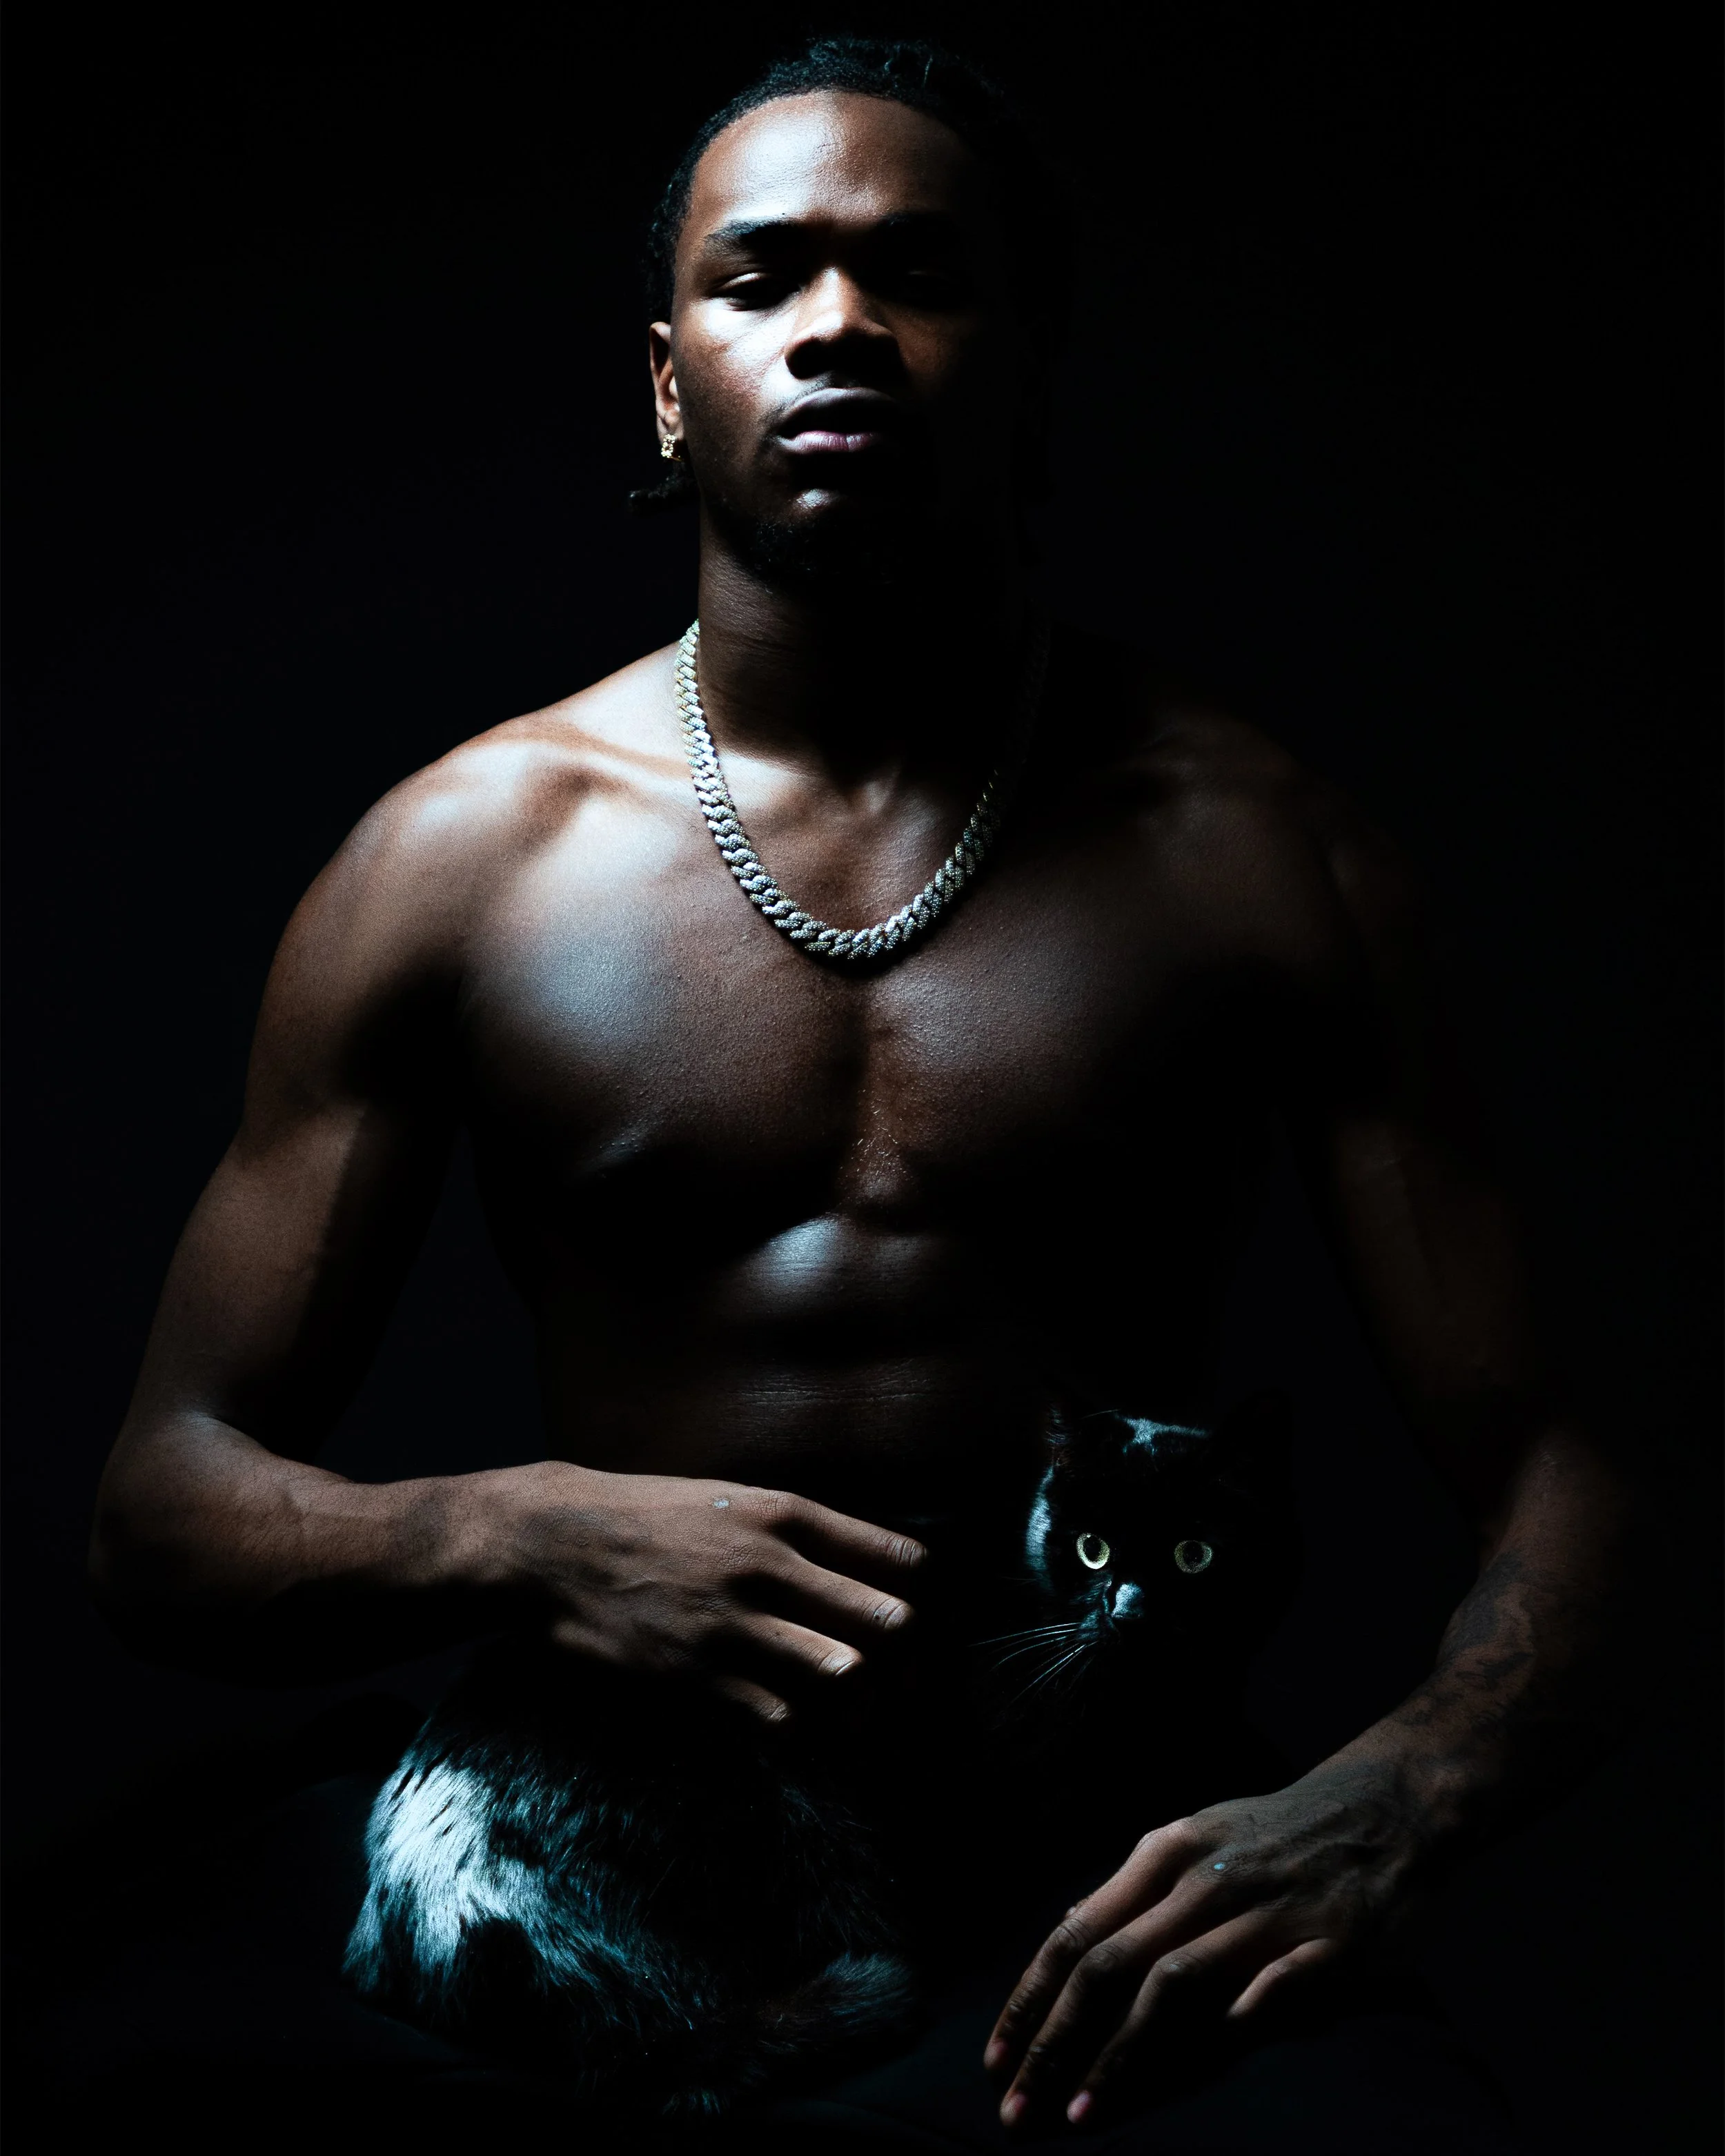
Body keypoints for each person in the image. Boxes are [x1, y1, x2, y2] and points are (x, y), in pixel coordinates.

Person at [83, 37, 1630, 2153]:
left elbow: (1584, 1460)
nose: (839, 324)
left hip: (1093, 1870)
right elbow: (157, 1511)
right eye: (763, 278)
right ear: (665, 382)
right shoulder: (459, 862)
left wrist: (1399, 1789)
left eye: (916, 273)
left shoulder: (1261, 858)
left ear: (1027, 362)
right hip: (610, 1843)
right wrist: (505, 1528)